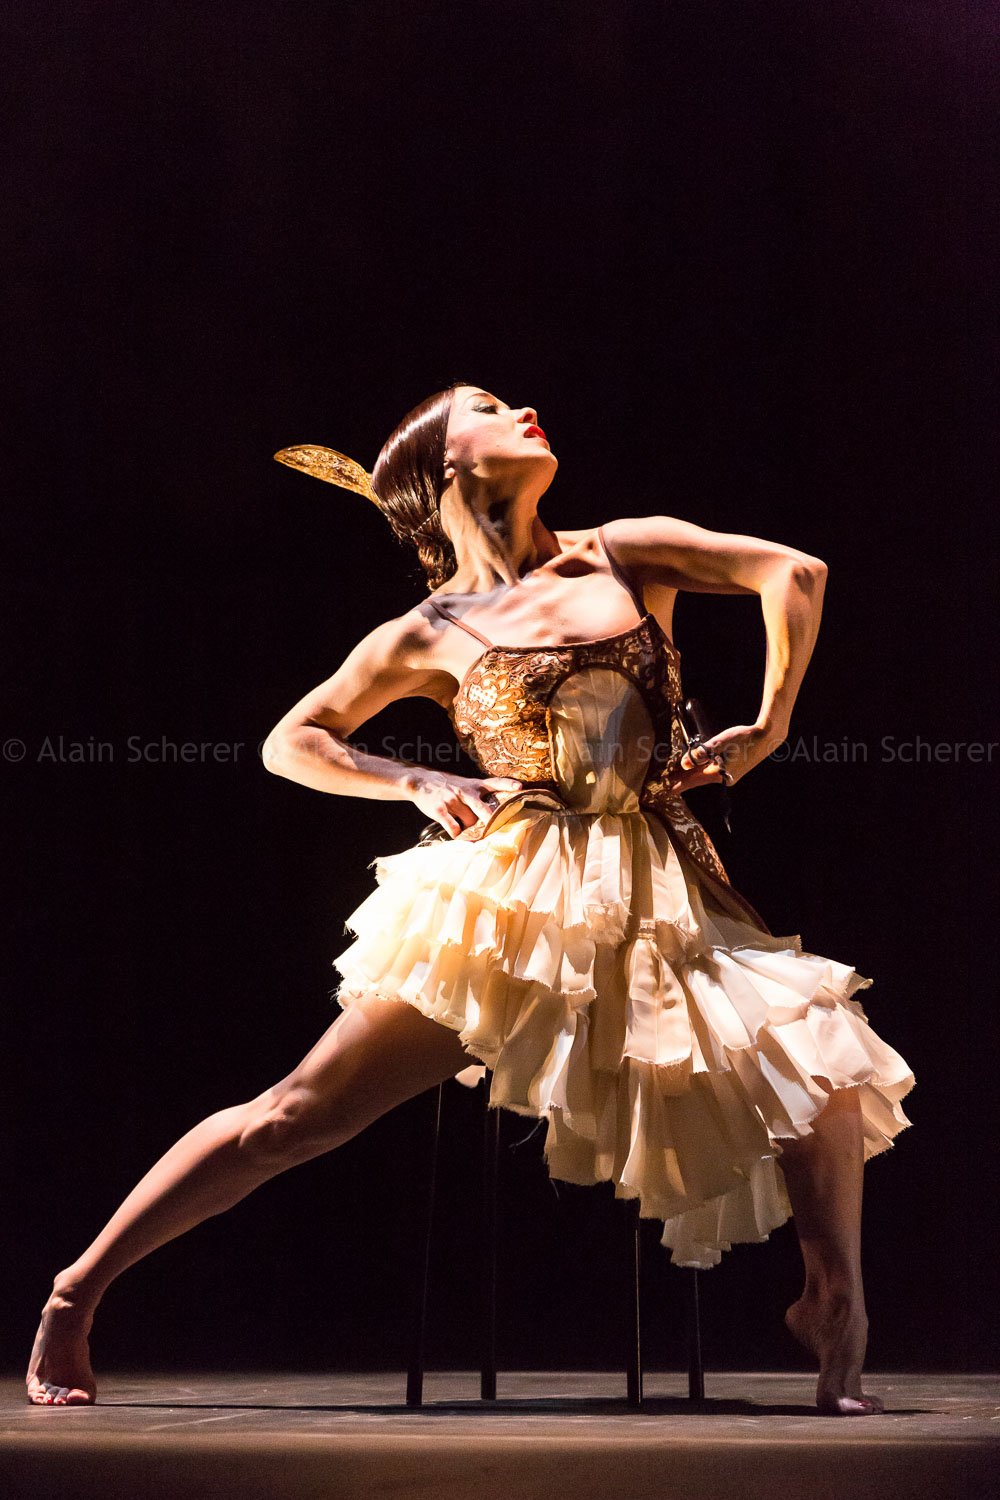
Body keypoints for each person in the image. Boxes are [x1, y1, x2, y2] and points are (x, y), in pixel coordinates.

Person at [27, 380, 914, 1416]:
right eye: (489, 406)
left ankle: (833, 1301)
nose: (524, 408)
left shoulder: (622, 551)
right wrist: (411, 777)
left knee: (818, 1045)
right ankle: (76, 1290)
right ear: (446, 461)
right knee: (297, 1116)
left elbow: (793, 571)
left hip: (656, 884)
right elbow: (291, 741)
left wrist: (768, 724)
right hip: (512, 899)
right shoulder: (425, 630)